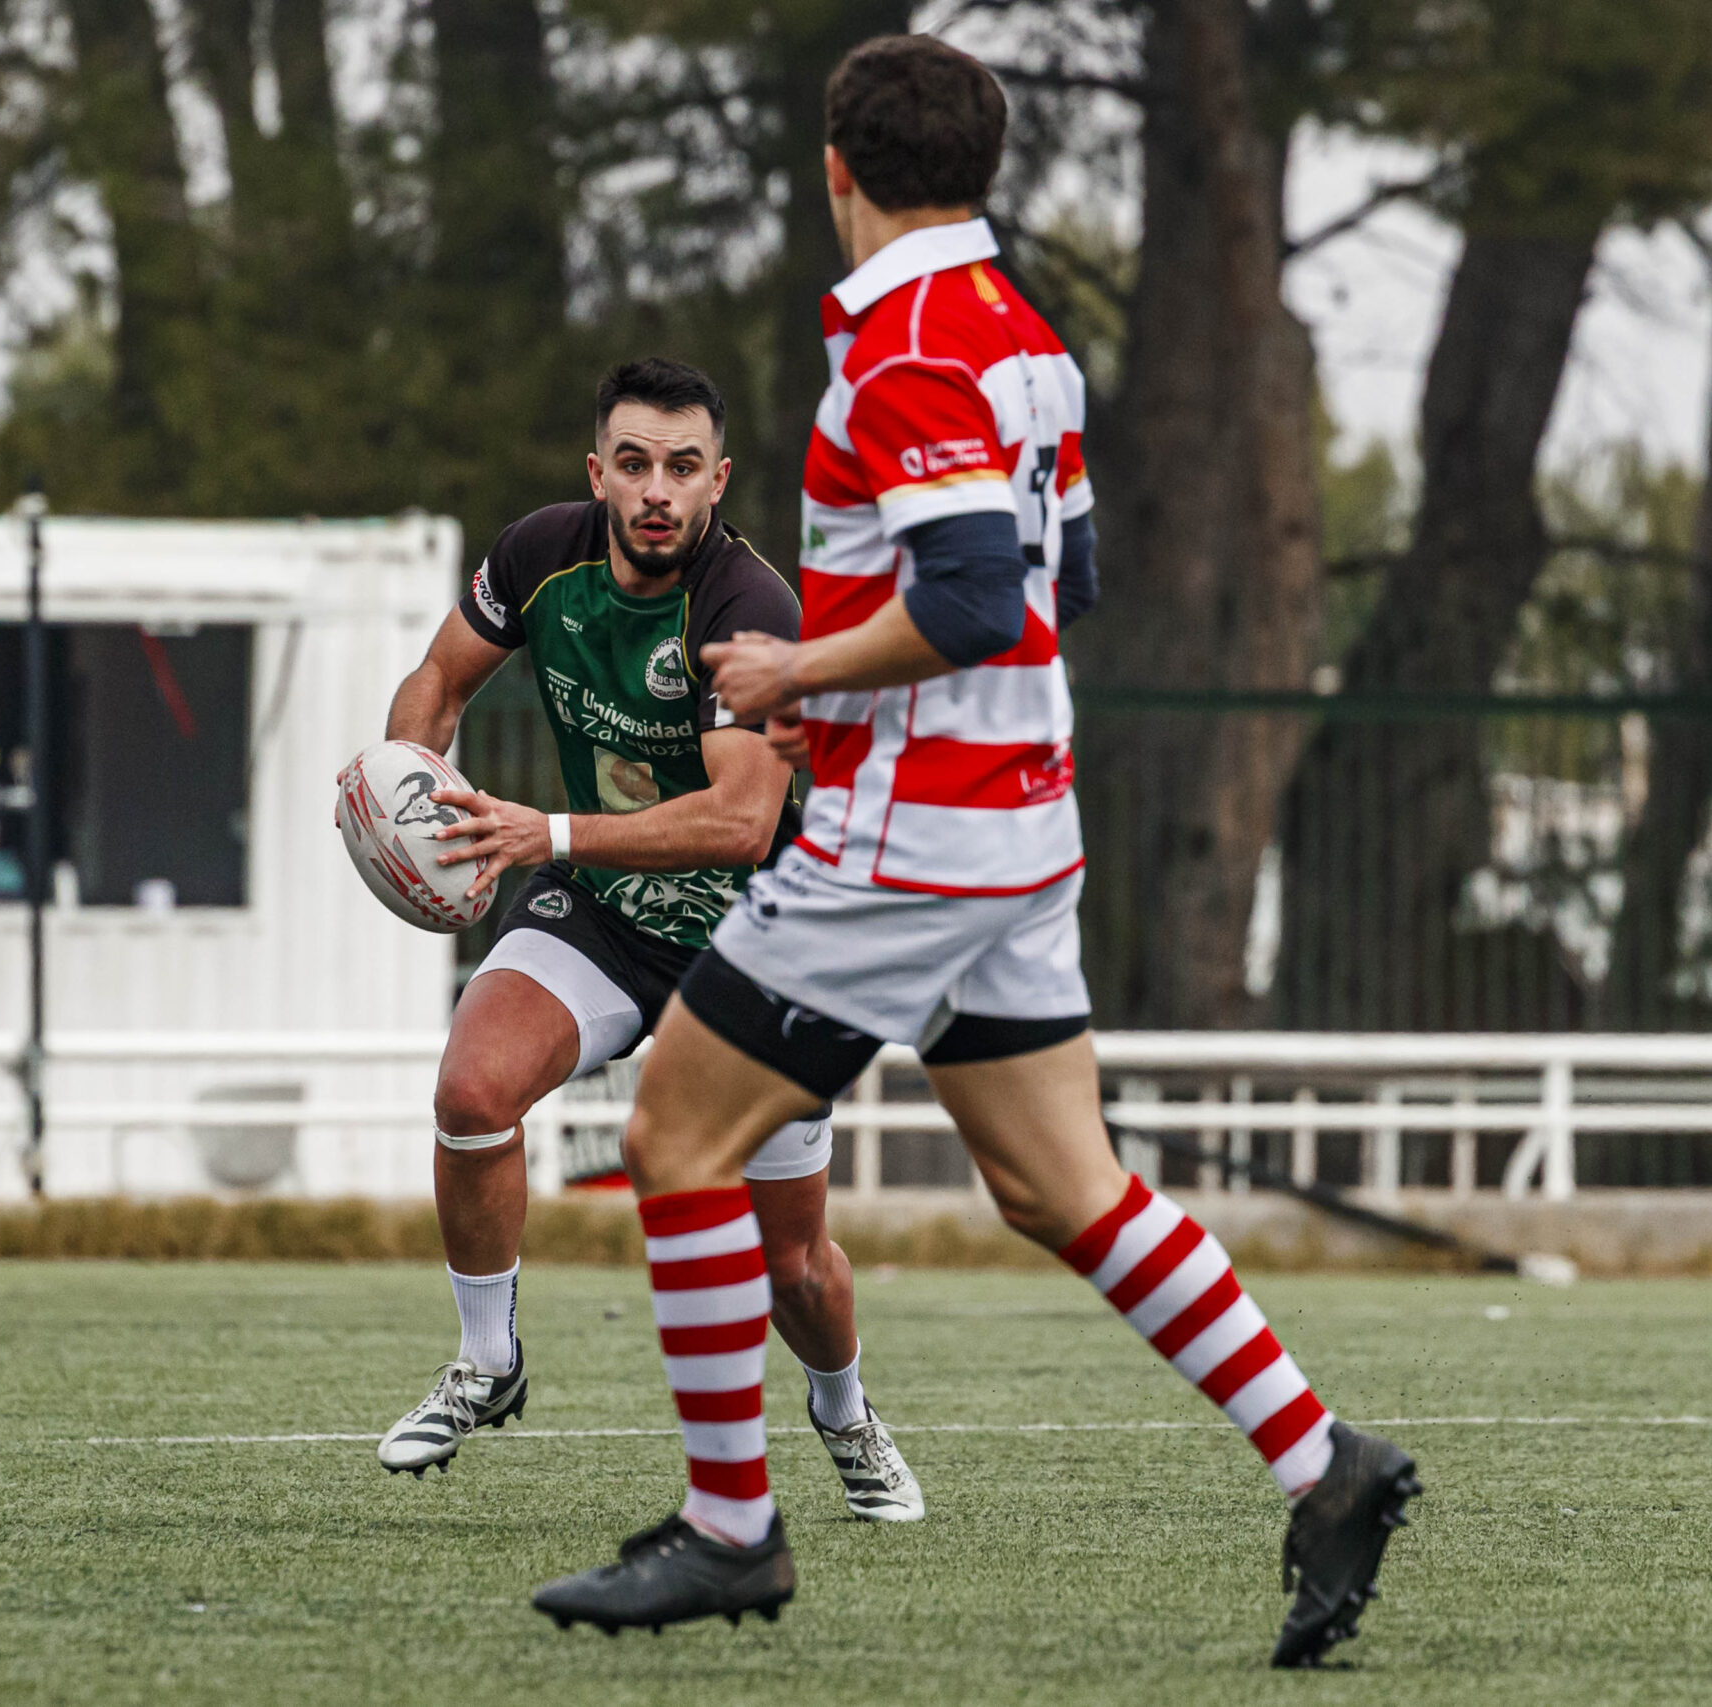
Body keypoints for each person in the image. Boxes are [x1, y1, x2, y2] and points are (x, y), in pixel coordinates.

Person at [529, 36, 1419, 1665]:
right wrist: (852, 694)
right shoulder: (1025, 341)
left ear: (836, 168)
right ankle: (1326, 1461)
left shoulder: (909, 351)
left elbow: (968, 604)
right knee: (1057, 1182)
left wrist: (798, 671)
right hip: (1016, 824)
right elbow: (1055, 594)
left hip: (907, 848)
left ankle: (733, 1530)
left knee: (673, 1134)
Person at [373, 357, 925, 1523]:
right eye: (633, 464)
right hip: (607, 917)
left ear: (717, 480)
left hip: (755, 948)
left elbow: (740, 822)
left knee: (795, 1269)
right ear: (598, 474)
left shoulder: (747, 610)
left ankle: (842, 1410)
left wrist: (546, 832)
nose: (656, 490)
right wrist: (403, 782)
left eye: (682, 467)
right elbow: (436, 679)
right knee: (472, 1090)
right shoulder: (538, 554)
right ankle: (487, 1363)